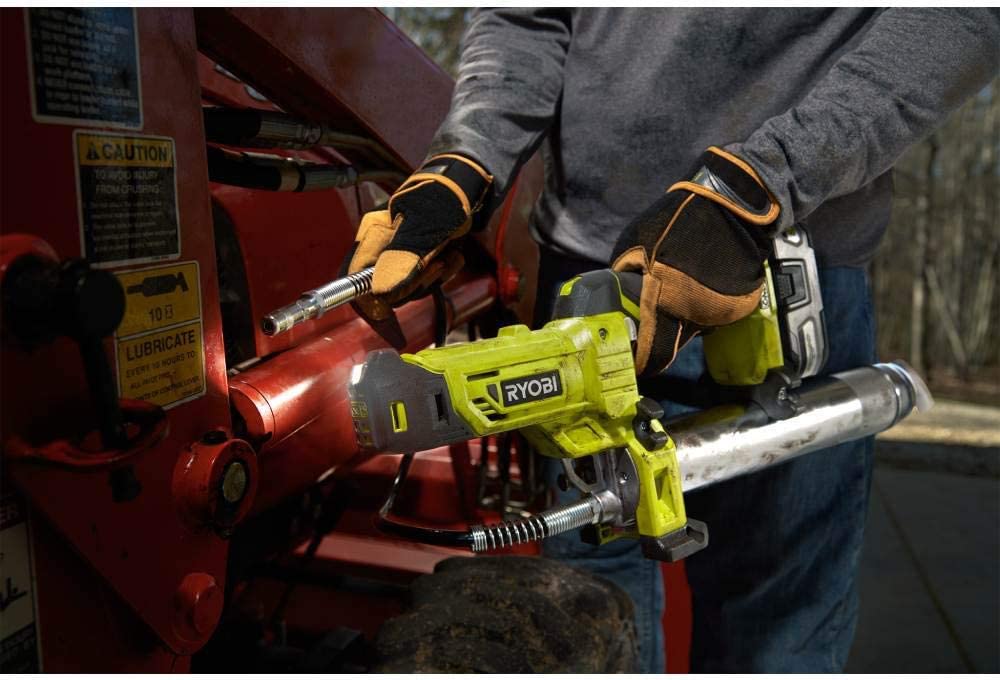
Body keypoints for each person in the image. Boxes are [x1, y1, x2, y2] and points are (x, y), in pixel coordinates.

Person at [346, 8, 1000, 672]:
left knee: (776, 642)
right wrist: (468, 158)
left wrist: (763, 184)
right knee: (583, 619)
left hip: (781, 269)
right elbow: (526, 17)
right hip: (589, 285)